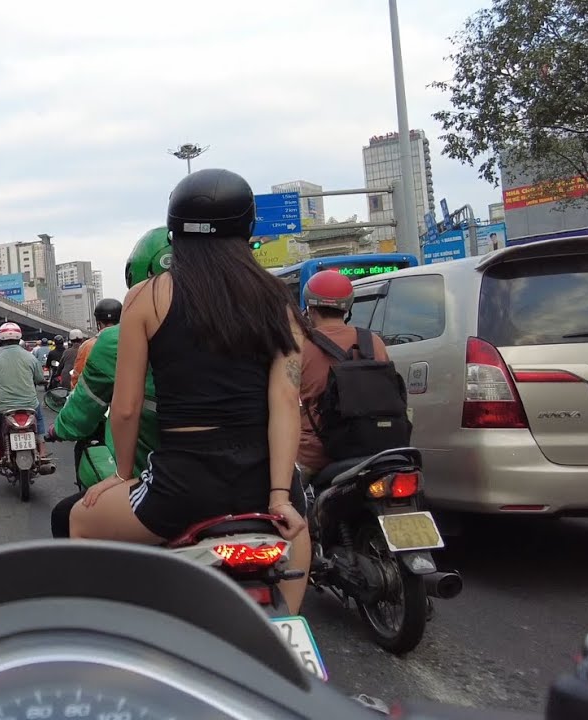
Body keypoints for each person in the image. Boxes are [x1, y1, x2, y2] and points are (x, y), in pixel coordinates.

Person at [67, 168, 311, 614]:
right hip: (266, 484)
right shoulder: (278, 299)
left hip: (183, 484)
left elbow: (125, 408)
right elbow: (284, 405)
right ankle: (287, 643)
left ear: (174, 231)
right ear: (249, 229)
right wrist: (278, 496)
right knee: (298, 537)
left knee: (79, 520)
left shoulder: (148, 296)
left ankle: (111, 636)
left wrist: (121, 476)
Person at [49, 234, 167, 536]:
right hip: (258, 484)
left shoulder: (110, 342)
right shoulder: (242, 326)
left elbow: (115, 409)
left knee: (68, 516)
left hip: (168, 483)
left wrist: (57, 430)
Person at [297, 270, 392, 475]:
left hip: (315, 454)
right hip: (375, 447)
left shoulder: (300, 346)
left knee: (281, 500)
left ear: (310, 308)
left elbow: (285, 399)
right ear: (348, 308)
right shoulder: (372, 341)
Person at [0, 322, 52, 465]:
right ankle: (43, 452)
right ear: (19, 337)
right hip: (29, 404)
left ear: (1, 338)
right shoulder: (30, 356)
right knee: (38, 418)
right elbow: (39, 378)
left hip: (2, 407)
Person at [71, 297, 125, 389]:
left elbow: (77, 380)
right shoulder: (132, 341)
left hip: (97, 399)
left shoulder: (87, 346)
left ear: (98, 323)